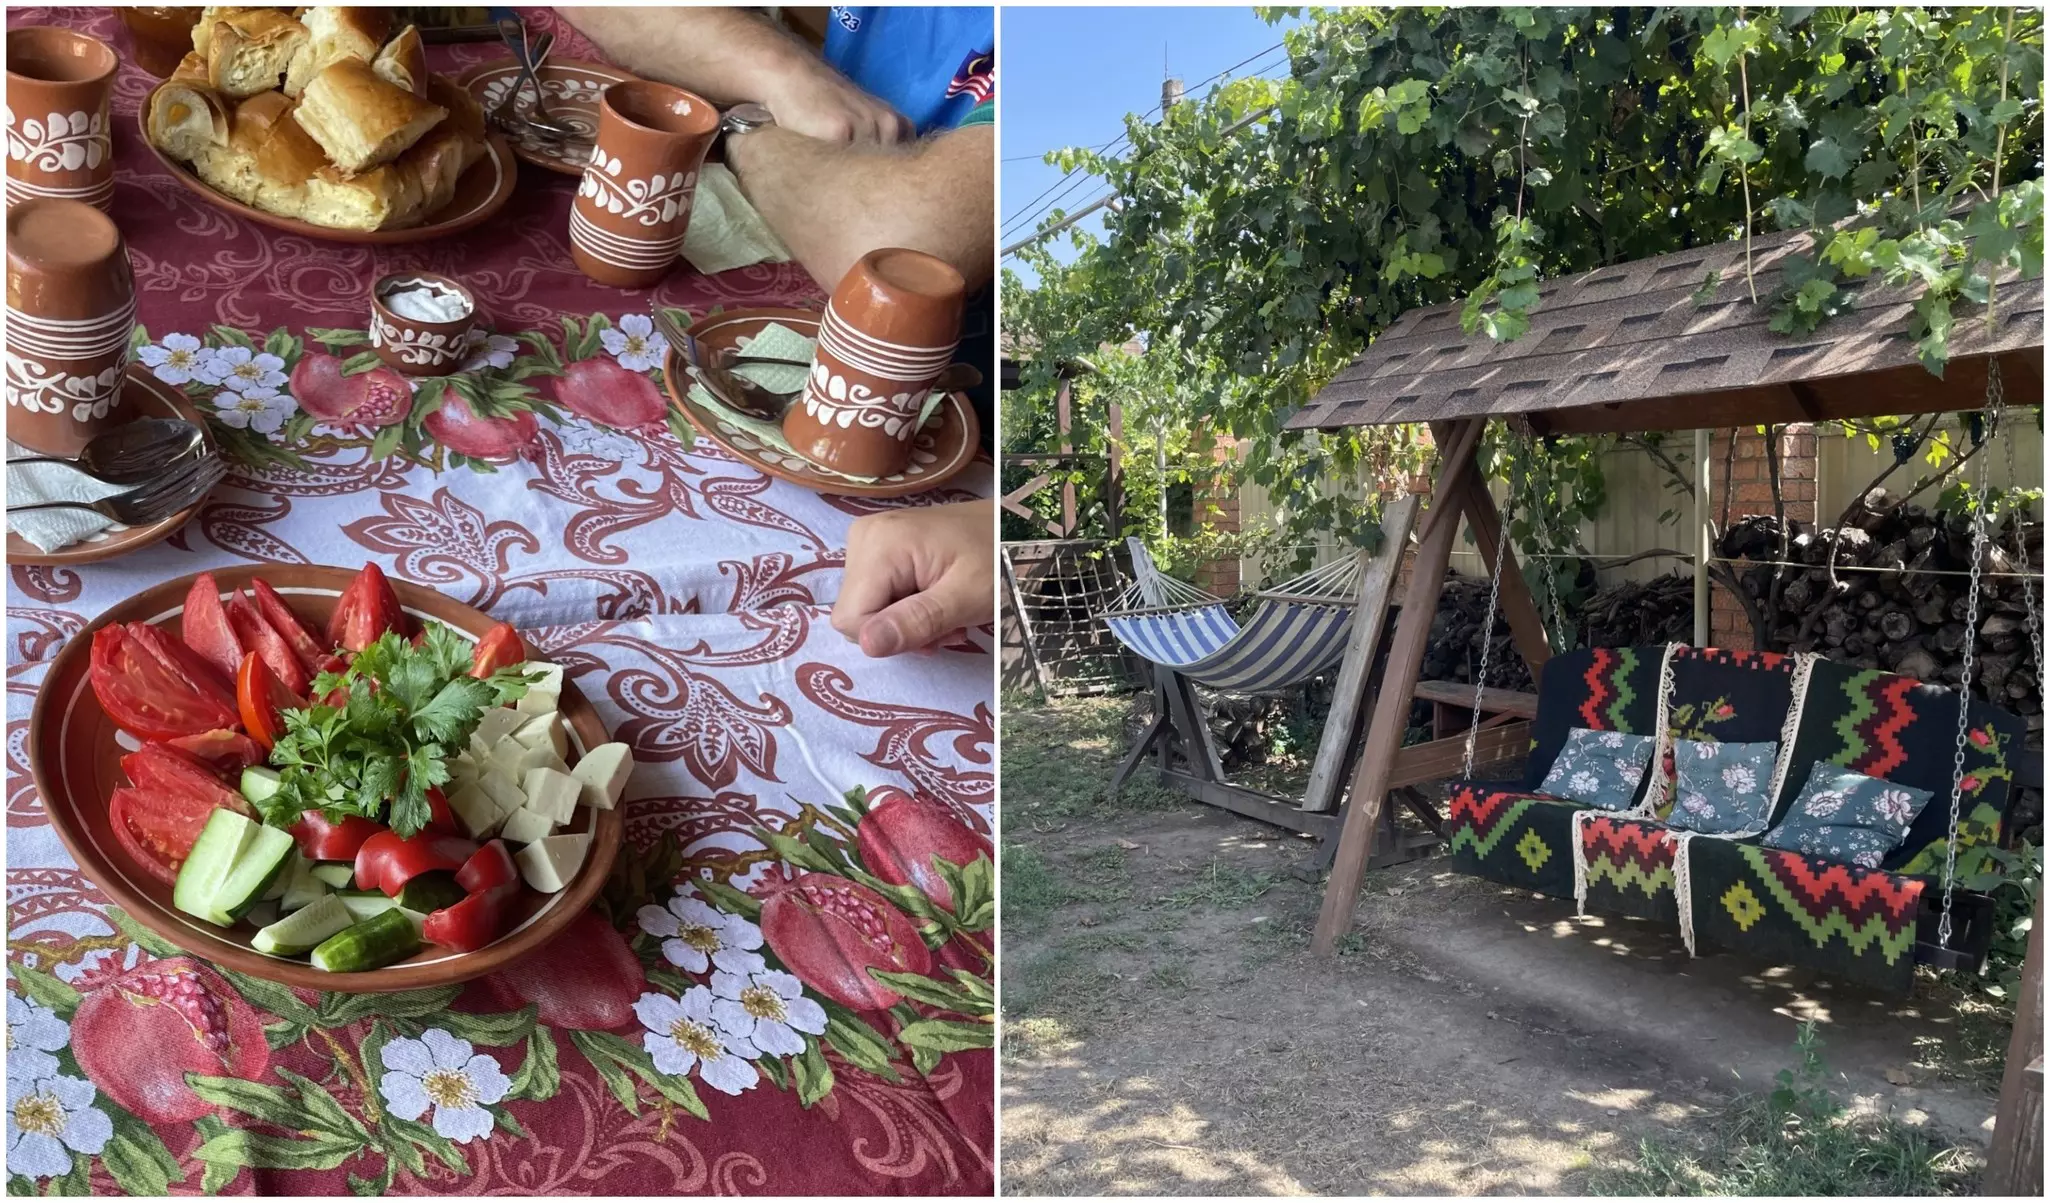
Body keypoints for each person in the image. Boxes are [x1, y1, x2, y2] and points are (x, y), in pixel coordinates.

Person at [564, 7, 998, 659]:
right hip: (809, 251)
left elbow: (895, 245)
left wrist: (751, 125)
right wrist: (778, 70)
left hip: (969, 430)